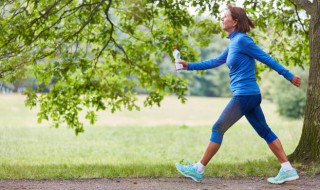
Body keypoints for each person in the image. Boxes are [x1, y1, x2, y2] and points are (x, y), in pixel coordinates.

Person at [175, 5, 301, 184]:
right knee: (264, 131)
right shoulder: (233, 42)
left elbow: (266, 58)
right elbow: (216, 61)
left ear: (235, 21)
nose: (221, 18)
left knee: (218, 128)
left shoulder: (243, 40)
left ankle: (198, 169)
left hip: (245, 95)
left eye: (225, 16)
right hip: (249, 95)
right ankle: (287, 169)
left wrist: (288, 75)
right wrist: (189, 66)